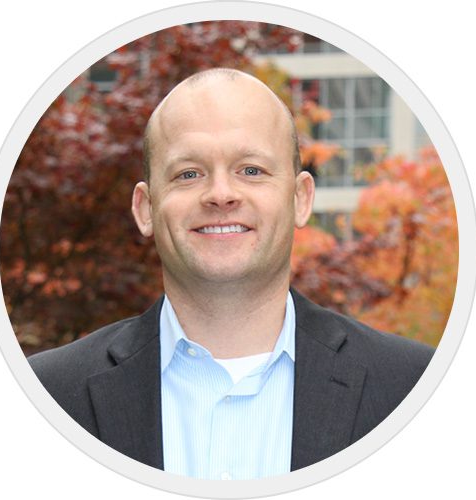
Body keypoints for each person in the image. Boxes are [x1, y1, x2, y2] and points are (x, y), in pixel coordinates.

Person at [29, 68, 434, 480]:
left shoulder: (418, 389)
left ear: (300, 199)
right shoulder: (45, 397)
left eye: (251, 170)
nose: (221, 194)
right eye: (189, 174)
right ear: (145, 209)